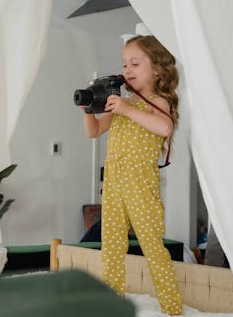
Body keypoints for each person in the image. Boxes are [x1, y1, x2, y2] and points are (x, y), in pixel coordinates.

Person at [81, 35, 182, 315]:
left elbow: (164, 128)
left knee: (152, 246)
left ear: (157, 70)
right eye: (125, 64)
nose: (127, 70)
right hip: (113, 183)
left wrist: (125, 108)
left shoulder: (156, 100)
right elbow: (94, 132)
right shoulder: (120, 103)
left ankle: (172, 308)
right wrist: (87, 111)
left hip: (140, 184)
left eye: (135, 63)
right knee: (111, 247)